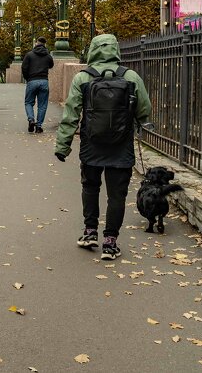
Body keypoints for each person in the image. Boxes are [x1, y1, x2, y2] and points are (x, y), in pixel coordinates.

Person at [54, 34, 152, 261]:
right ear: (116, 50)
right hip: (121, 145)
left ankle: (89, 233)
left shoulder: (82, 78)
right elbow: (143, 109)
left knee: (90, 187)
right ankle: (110, 242)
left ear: (93, 51)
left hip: (92, 144)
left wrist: (63, 146)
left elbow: (71, 114)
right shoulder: (130, 76)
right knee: (117, 194)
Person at [21, 36, 55, 133]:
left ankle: (31, 119)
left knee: (28, 102)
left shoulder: (29, 55)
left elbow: (24, 68)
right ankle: (39, 126)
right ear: (45, 44)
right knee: (42, 105)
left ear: (36, 43)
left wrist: (28, 78)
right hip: (44, 81)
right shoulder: (48, 55)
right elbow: (51, 65)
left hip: (32, 81)